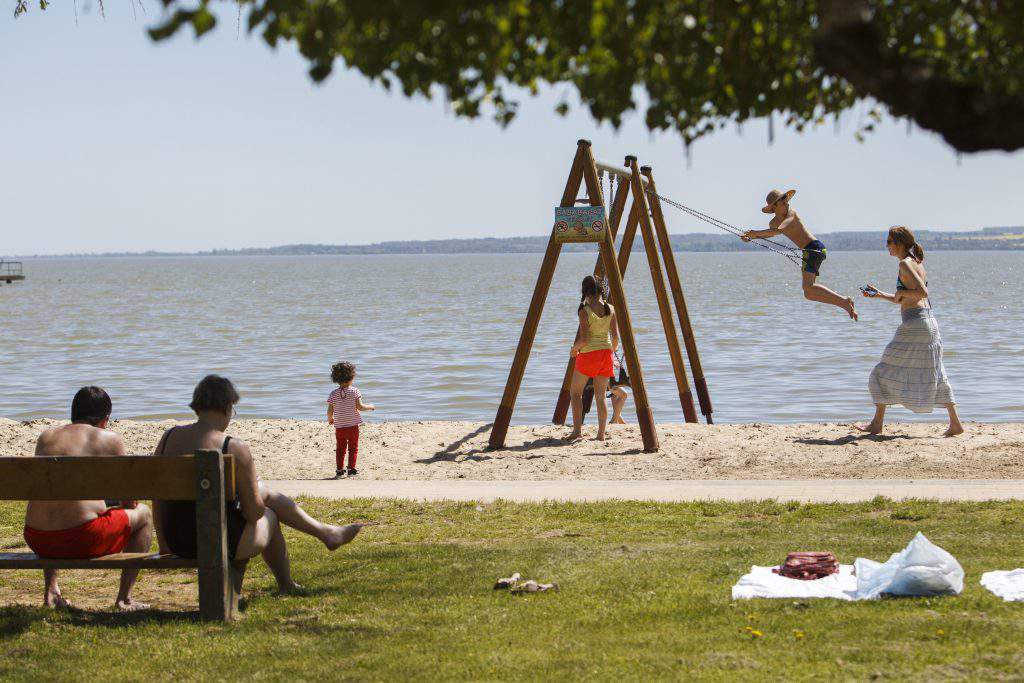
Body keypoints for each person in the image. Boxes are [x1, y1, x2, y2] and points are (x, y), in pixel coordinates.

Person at [154, 375, 361, 596]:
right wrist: (254, 492)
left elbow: (157, 496)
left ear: (197, 407)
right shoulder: (233, 447)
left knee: (260, 501)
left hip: (177, 540)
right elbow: (254, 514)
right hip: (218, 542)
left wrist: (164, 541)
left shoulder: (169, 438)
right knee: (269, 513)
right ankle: (291, 578)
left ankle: (324, 538)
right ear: (227, 407)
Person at [23, 386, 153, 611]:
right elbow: (129, 503)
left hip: (38, 537)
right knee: (143, 514)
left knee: (56, 511)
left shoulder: (46, 438)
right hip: (82, 538)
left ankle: (51, 591)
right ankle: (125, 598)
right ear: (106, 419)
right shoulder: (109, 439)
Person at [857, 226, 964, 437]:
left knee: (881, 371)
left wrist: (899, 294)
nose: (887, 246)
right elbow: (908, 297)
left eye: (889, 241)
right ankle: (955, 424)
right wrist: (879, 295)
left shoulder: (904, 263)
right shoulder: (916, 262)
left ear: (899, 243)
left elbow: (921, 293)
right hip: (928, 323)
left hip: (915, 325)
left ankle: (877, 424)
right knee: (936, 372)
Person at [742, 189, 858, 321]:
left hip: (814, 248)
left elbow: (779, 230)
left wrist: (754, 233)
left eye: (787, 201)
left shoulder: (792, 213)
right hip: (808, 251)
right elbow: (771, 233)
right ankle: (844, 303)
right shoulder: (772, 223)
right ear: (774, 206)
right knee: (809, 293)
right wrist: (750, 237)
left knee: (808, 288)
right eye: (783, 203)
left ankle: (844, 301)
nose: (787, 204)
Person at [568, 275, 618, 441]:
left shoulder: (584, 310)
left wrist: (574, 350)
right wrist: (612, 353)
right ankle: (601, 434)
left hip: (589, 355)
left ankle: (577, 432)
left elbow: (584, 339)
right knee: (601, 396)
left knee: (575, 393)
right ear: (600, 289)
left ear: (585, 290)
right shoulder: (610, 309)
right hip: (606, 354)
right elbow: (615, 338)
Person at [328, 361, 375, 478]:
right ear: (351, 377)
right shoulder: (355, 391)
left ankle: (339, 471)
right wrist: (371, 407)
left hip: (339, 427)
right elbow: (360, 407)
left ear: (336, 378)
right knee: (353, 448)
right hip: (353, 426)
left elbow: (329, 410)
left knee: (340, 449)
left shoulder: (333, 394)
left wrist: (330, 419)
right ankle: (352, 471)